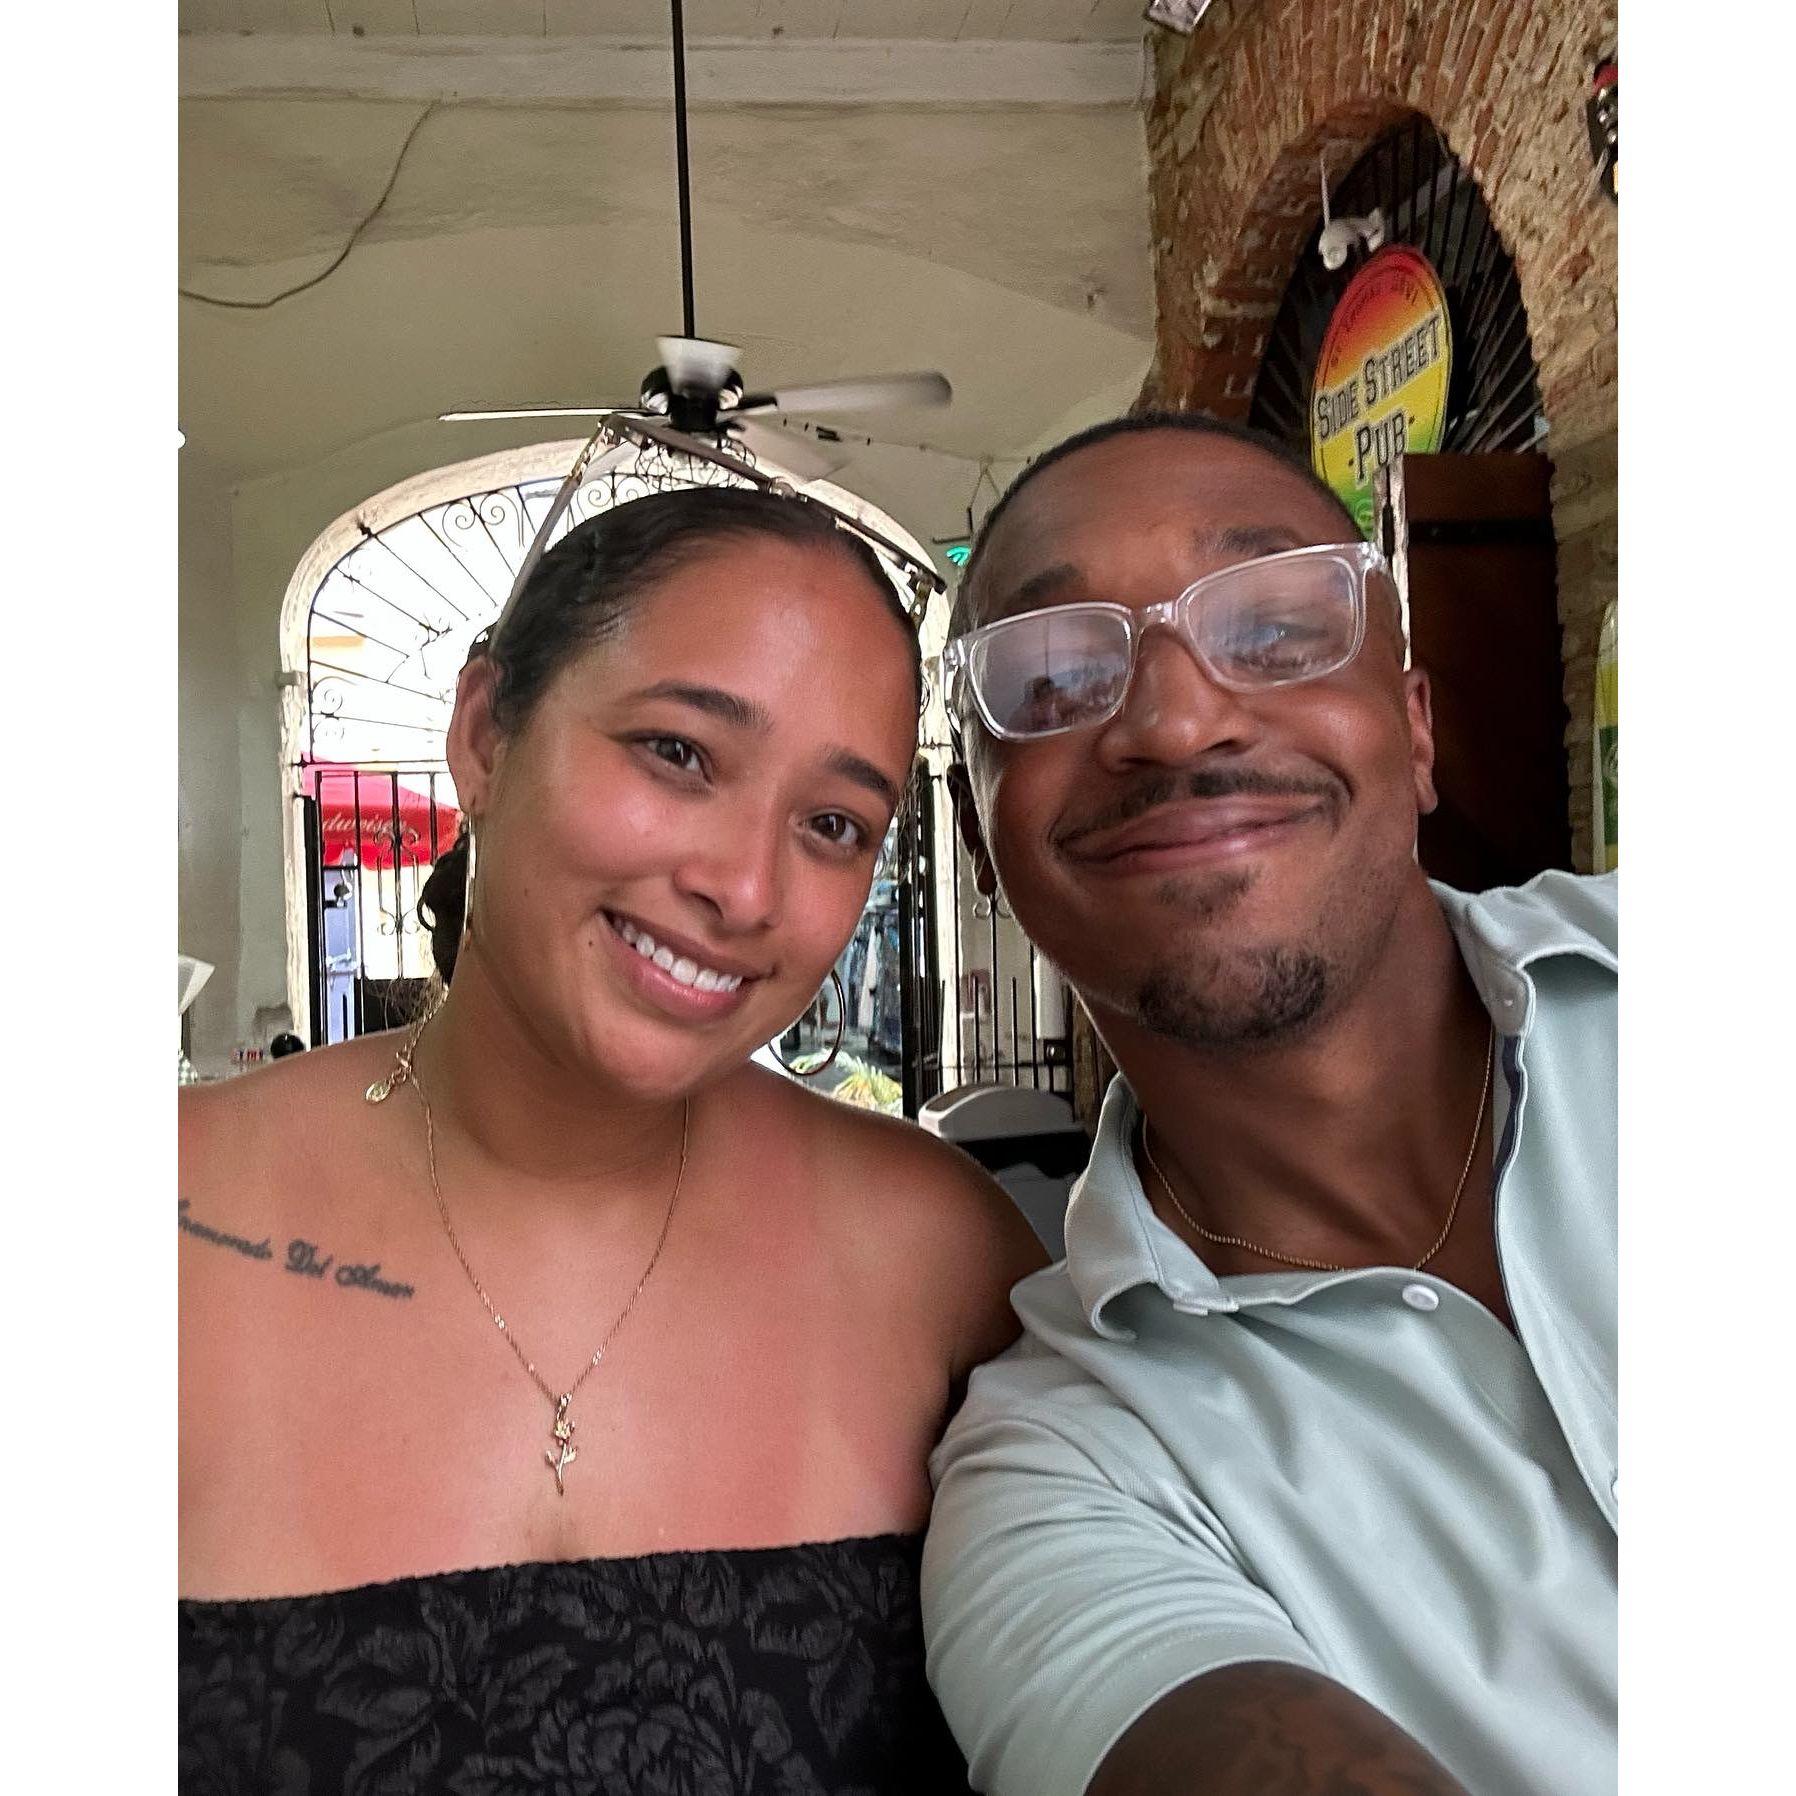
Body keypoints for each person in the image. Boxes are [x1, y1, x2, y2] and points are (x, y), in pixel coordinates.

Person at [180, 487, 1044, 1792]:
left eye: (833, 826)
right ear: (485, 734)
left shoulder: (940, 1255)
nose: (742, 889)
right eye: (679, 753)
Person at [921, 413, 1616, 1796]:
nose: (1176, 721)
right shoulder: (1073, 1473)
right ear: (983, 841)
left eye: (1279, 632)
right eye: (1056, 677)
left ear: (1416, 730)